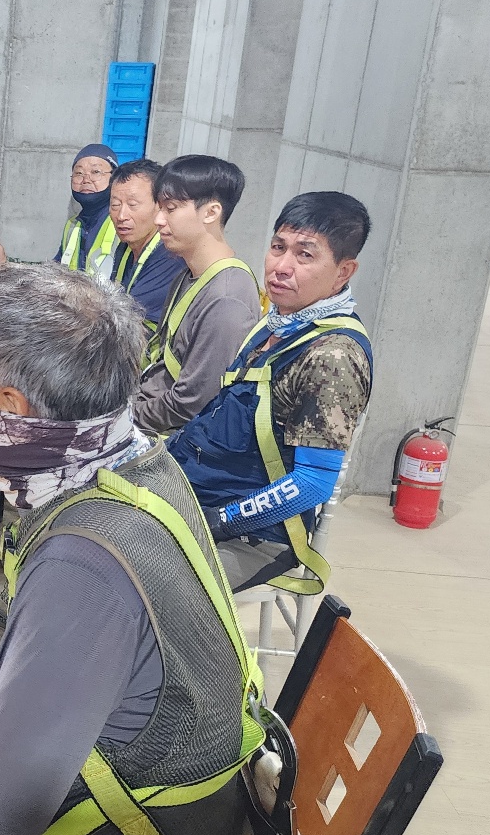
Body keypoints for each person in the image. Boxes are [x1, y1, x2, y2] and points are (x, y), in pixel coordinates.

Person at [0, 264, 259, 835]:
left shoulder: (81, 566)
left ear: (9, 407)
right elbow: (21, 637)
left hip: (129, 833)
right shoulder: (128, 463)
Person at [170, 191, 374, 593]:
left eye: (305, 255)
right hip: (198, 490)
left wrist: (221, 521)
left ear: (343, 271)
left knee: (129, 584)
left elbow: (313, 483)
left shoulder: (333, 356)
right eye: (278, 247)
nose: (281, 267)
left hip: (255, 536)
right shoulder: (279, 322)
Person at [132, 154, 262, 435]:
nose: (158, 220)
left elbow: (192, 404)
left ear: (211, 212)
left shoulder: (226, 298)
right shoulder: (189, 274)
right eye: (159, 208)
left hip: (170, 442)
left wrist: (122, 418)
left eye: (171, 208)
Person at [107, 158, 187, 329]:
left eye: (133, 204)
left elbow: (131, 322)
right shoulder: (125, 248)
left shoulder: (170, 254)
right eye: (115, 205)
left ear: (160, 205)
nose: (121, 216)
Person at [54, 143, 121, 274]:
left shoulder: (124, 222)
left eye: (96, 172)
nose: (86, 180)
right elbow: (56, 268)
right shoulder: (72, 225)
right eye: (79, 173)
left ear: (114, 179)